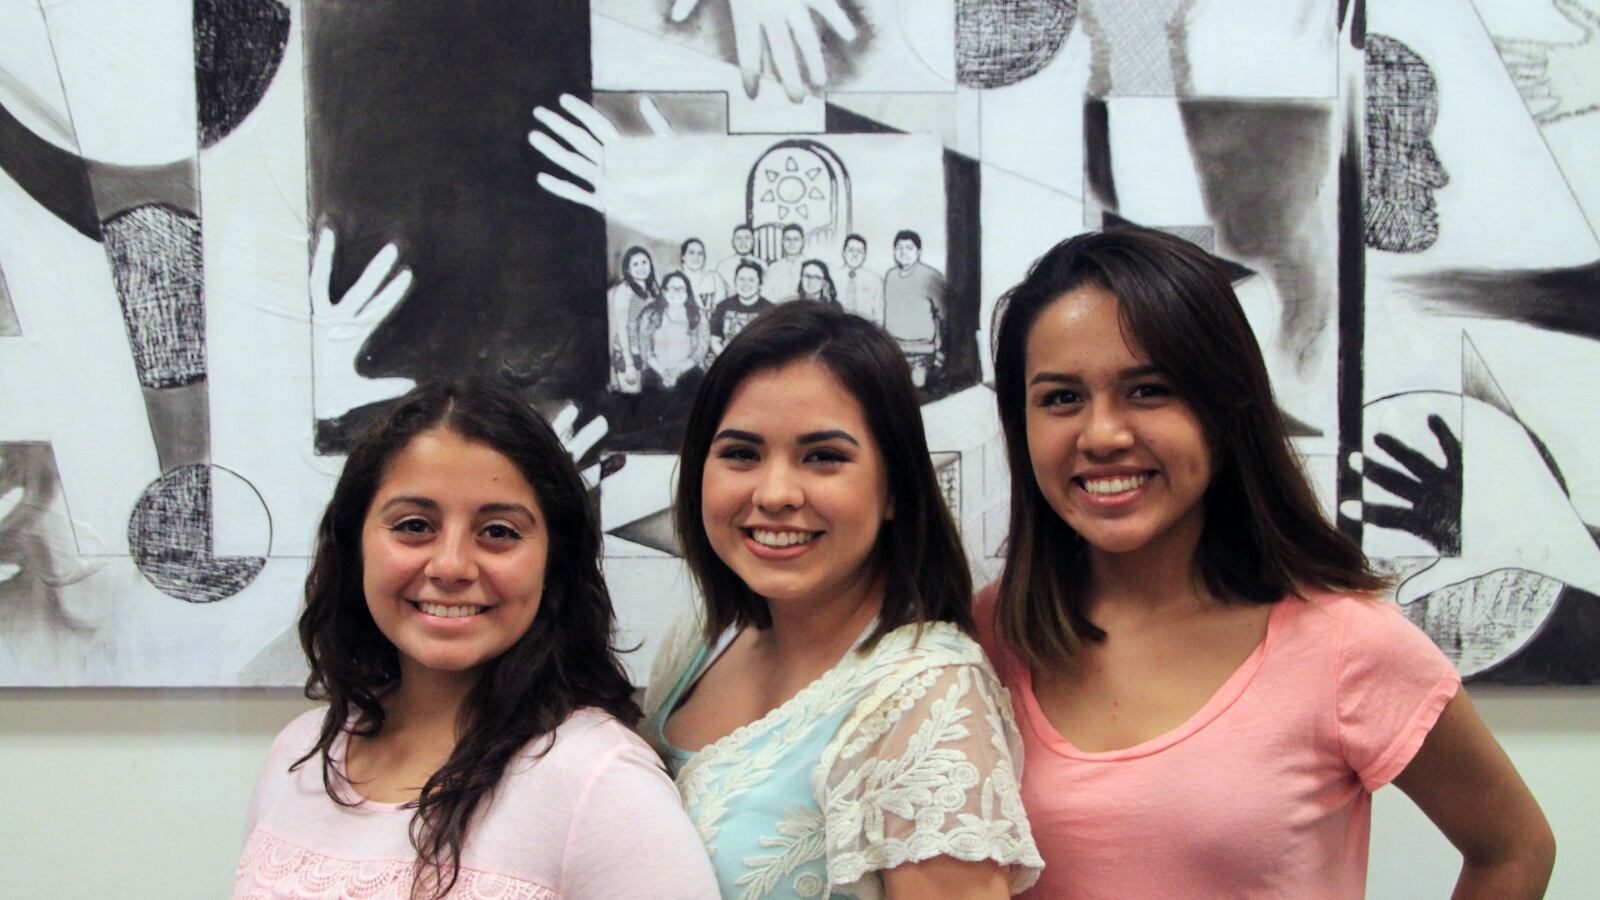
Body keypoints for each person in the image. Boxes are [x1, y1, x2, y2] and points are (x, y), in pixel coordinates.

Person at [978, 227, 1555, 898]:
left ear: (1225, 409)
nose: (1103, 434)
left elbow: (1515, 850)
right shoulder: (982, 639)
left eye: (1149, 390)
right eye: (1061, 398)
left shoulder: (1346, 642)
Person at [236, 379, 718, 899]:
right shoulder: (301, 752)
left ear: (553, 562)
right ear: (355, 544)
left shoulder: (600, 781)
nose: (451, 566)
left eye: (498, 531)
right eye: (414, 525)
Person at [643, 303, 1044, 899]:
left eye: (823, 457)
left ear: (894, 488)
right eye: (741, 454)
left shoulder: (928, 692)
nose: (775, 493)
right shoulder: (701, 639)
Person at [881, 229, 946, 387]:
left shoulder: (931, 277)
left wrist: (941, 352)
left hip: (922, 352)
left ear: (918, 252)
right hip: (894, 349)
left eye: (909, 248)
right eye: (899, 248)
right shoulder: (890, 276)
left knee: (917, 388)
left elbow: (944, 316)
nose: (903, 252)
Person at [641, 271, 711, 390]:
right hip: (656, 372)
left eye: (681, 289)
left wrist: (677, 372)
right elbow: (645, 349)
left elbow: (701, 349)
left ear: (687, 292)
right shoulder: (650, 314)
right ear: (664, 291)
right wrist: (663, 373)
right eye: (672, 288)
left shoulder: (698, 315)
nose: (677, 292)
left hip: (688, 372)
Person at [608, 245, 659, 394]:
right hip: (630, 355)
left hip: (647, 354)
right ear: (628, 269)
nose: (641, 267)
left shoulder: (652, 288)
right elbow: (622, 327)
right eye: (635, 264)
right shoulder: (624, 289)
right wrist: (629, 364)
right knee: (632, 400)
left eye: (644, 262)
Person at [709, 259, 775, 354]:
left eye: (751, 280)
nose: (745, 284)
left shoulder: (771, 311)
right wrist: (728, 360)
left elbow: (773, 346)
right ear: (735, 282)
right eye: (741, 279)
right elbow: (715, 341)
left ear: (760, 284)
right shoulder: (722, 307)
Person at [838, 233, 883, 324]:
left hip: (865, 328)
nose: (855, 255)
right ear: (843, 253)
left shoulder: (875, 280)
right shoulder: (832, 276)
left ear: (865, 255)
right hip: (838, 327)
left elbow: (879, 315)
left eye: (859, 251)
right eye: (850, 250)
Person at [678, 237, 727, 312]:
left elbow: (721, 310)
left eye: (700, 253)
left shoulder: (715, 278)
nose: (696, 257)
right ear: (683, 257)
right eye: (691, 253)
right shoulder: (675, 280)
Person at [764, 223, 808, 302]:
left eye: (796, 239)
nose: (791, 243)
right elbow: (766, 296)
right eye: (788, 239)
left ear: (802, 242)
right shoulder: (773, 268)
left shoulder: (810, 266)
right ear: (782, 242)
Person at [715, 223, 760, 289]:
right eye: (738, 238)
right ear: (732, 242)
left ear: (753, 241)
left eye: (747, 238)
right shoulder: (723, 266)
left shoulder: (762, 265)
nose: (743, 242)